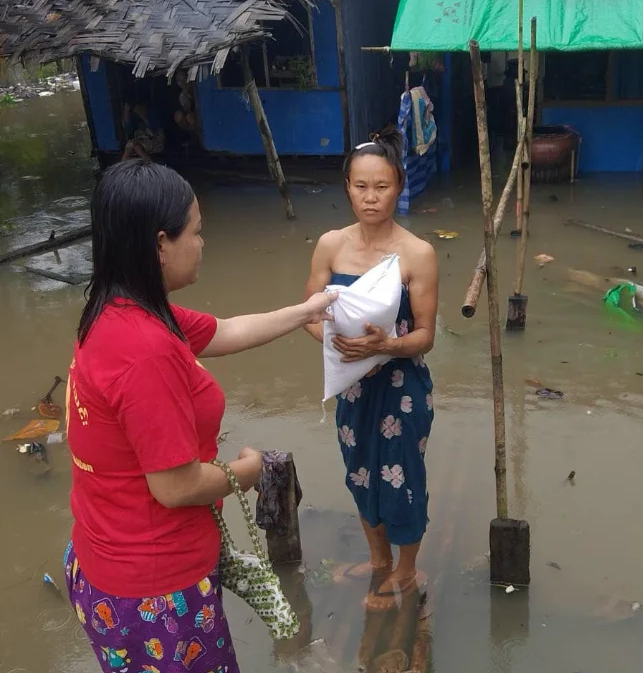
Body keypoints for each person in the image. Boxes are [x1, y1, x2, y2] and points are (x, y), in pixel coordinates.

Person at [64, 159, 335, 672]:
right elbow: (175, 486)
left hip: (104, 563)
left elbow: (225, 330)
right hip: (155, 593)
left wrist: (307, 311)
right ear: (160, 244)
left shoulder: (119, 308)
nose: (204, 243)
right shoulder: (145, 352)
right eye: (197, 232)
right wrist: (246, 472)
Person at [304, 126, 439, 611]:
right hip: (352, 384)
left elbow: (426, 334)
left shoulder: (418, 253)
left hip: (402, 384)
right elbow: (310, 314)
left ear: (399, 185)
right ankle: (379, 559)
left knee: (402, 474)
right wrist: (337, 346)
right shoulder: (330, 246)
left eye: (381, 186)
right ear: (347, 187)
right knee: (360, 471)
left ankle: (406, 567)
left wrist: (387, 346)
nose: (371, 197)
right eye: (361, 186)